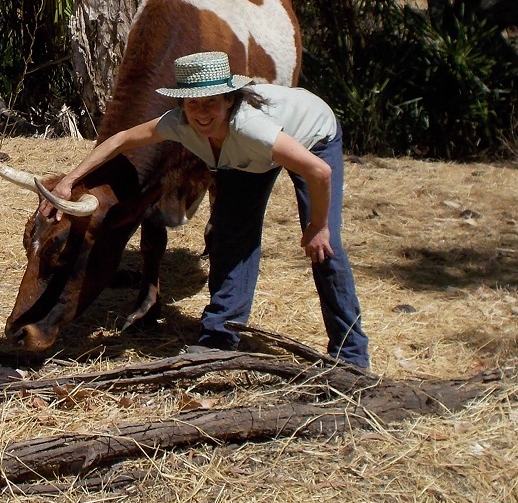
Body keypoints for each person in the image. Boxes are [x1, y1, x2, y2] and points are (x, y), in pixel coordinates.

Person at [45, 51, 369, 367]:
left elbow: (319, 172)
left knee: (325, 249)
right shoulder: (180, 123)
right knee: (230, 239)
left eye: (210, 101)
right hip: (248, 158)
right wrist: (70, 181)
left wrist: (320, 226)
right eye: (193, 103)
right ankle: (217, 341)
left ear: (229, 99)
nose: (201, 112)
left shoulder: (251, 127)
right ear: (182, 104)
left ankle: (351, 355)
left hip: (312, 138)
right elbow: (120, 141)